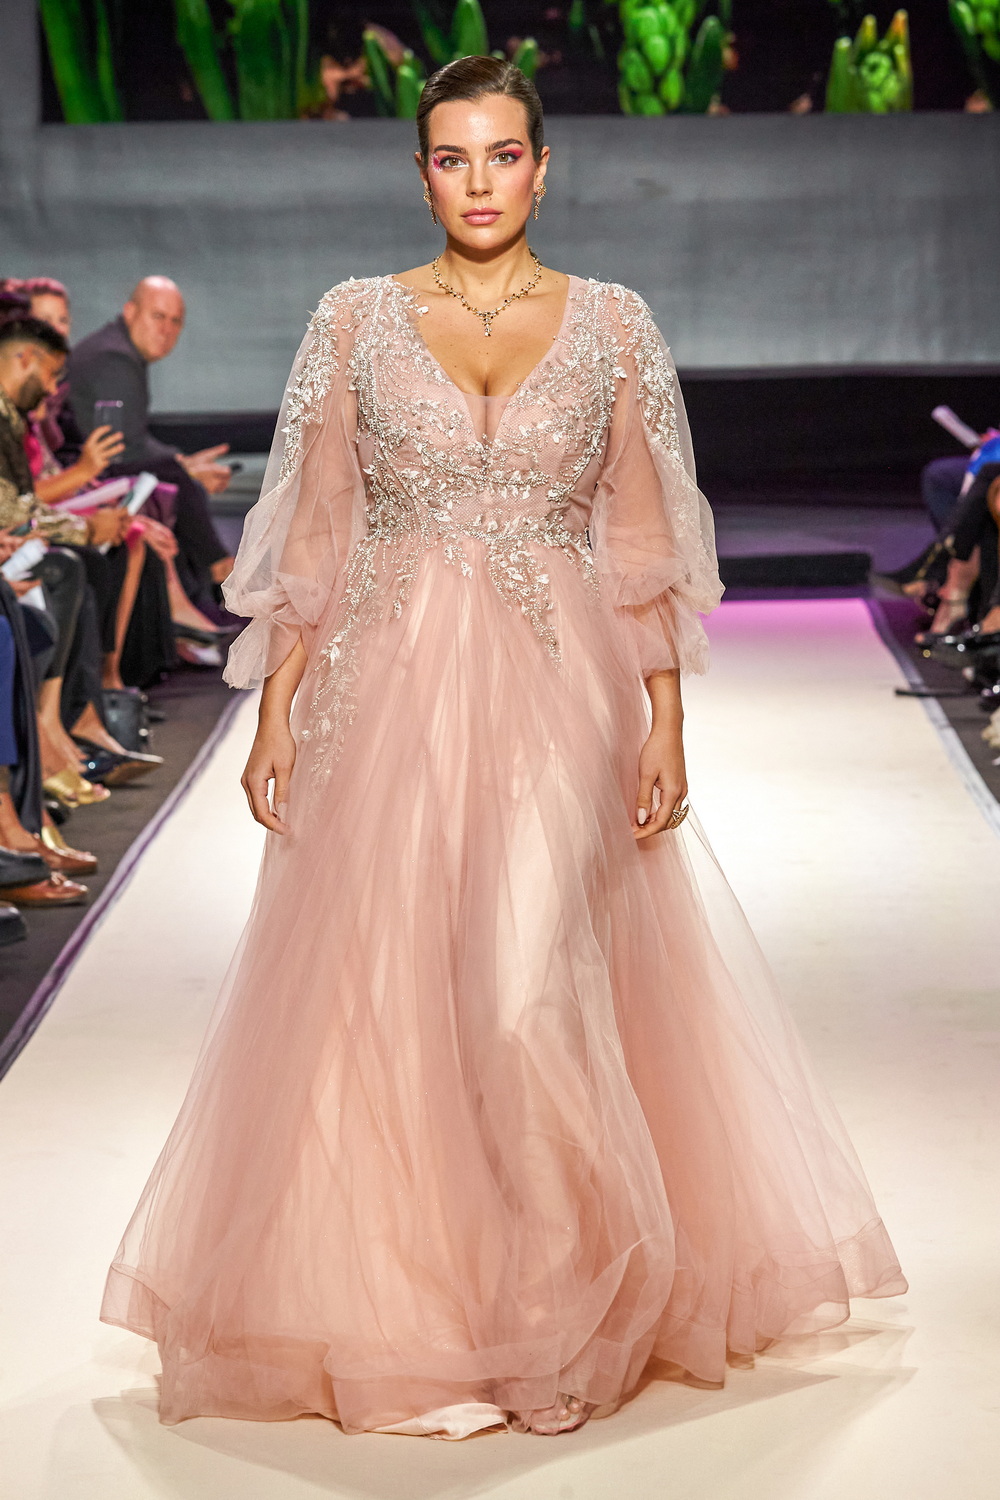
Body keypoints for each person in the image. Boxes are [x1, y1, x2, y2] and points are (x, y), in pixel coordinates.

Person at [102, 58, 906, 1440]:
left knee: (530, 990)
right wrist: (278, 704)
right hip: (385, 686)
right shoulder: (354, 319)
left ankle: (559, 1306)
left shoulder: (614, 323)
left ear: (543, 165)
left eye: (503, 154)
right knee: (406, 990)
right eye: (452, 157)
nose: (479, 182)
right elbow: (316, 529)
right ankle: (428, 1299)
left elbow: (646, 537)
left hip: (559, 687)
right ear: (421, 173)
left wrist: (663, 717)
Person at [65, 276, 236, 620]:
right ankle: (220, 577)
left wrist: (182, 463)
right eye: (158, 316)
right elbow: (124, 447)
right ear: (130, 312)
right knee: (176, 480)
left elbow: (132, 438)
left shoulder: (119, 352)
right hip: (76, 471)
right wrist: (184, 467)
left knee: (175, 476)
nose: (167, 330)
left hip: (90, 464)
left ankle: (207, 592)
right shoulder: (114, 358)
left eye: (175, 321)